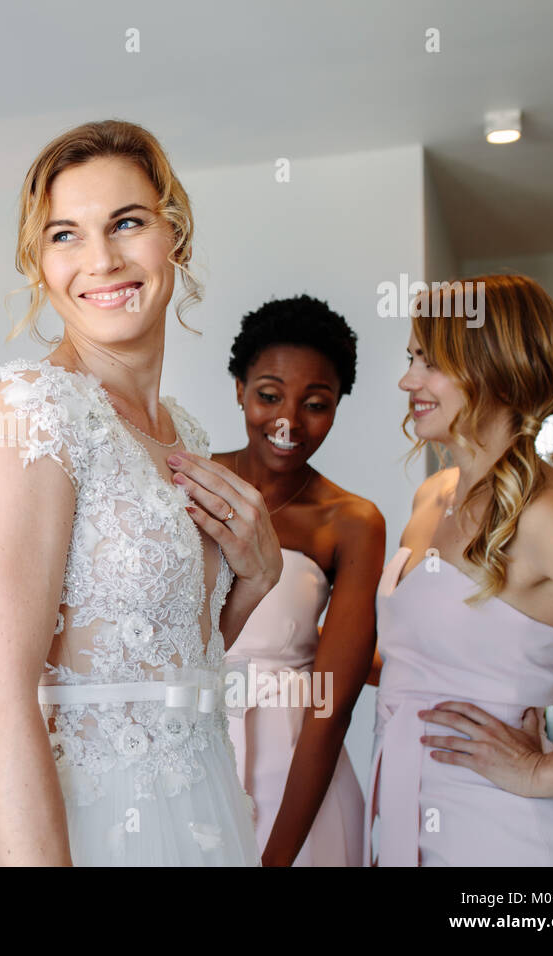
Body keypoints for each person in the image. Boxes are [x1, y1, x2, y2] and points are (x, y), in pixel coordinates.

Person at [0, 120, 281, 866]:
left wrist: (258, 577)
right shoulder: (31, 406)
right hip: (86, 827)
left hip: (201, 808)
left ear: (176, 237)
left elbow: (171, 658)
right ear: (39, 264)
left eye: (127, 223)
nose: (101, 259)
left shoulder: (183, 430)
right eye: (65, 235)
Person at [367, 273, 553, 866]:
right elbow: (421, 665)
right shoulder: (433, 495)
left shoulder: (549, 518)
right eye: (411, 359)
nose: (408, 381)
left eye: (429, 363)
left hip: (511, 846)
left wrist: (541, 771)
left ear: (494, 367)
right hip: (408, 819)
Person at [216, 296, 384, 866]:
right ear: (239, 387)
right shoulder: (188, 481)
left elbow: (333, 704)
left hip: (297, 776)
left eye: (316, 404)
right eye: (268, 395)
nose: (289, 422)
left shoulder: (351, 521)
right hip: (182, 755)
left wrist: (279, 856)